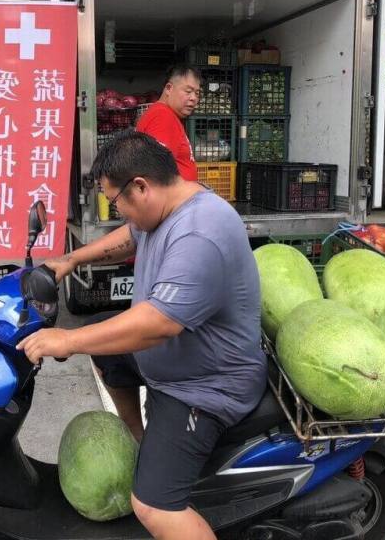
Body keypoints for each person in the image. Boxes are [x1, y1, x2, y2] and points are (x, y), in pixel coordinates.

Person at [17, 130, 266, 540]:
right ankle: (140, 440)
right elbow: (131, 235)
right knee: (108, 350)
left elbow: (158, 325)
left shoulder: (199, 231)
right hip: (182, 360)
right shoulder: (168, 206)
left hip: (205, 386)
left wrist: (69, 340)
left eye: (117, 203)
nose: (120, 214)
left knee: (154, 506)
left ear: (141, 187)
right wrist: (71, 258)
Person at [135, 64, 201, 182]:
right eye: (188, 91)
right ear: (169, 88)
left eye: (197, 93)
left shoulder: (166, 114)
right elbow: (157, 173)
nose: (194, 98)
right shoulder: (163, 116)